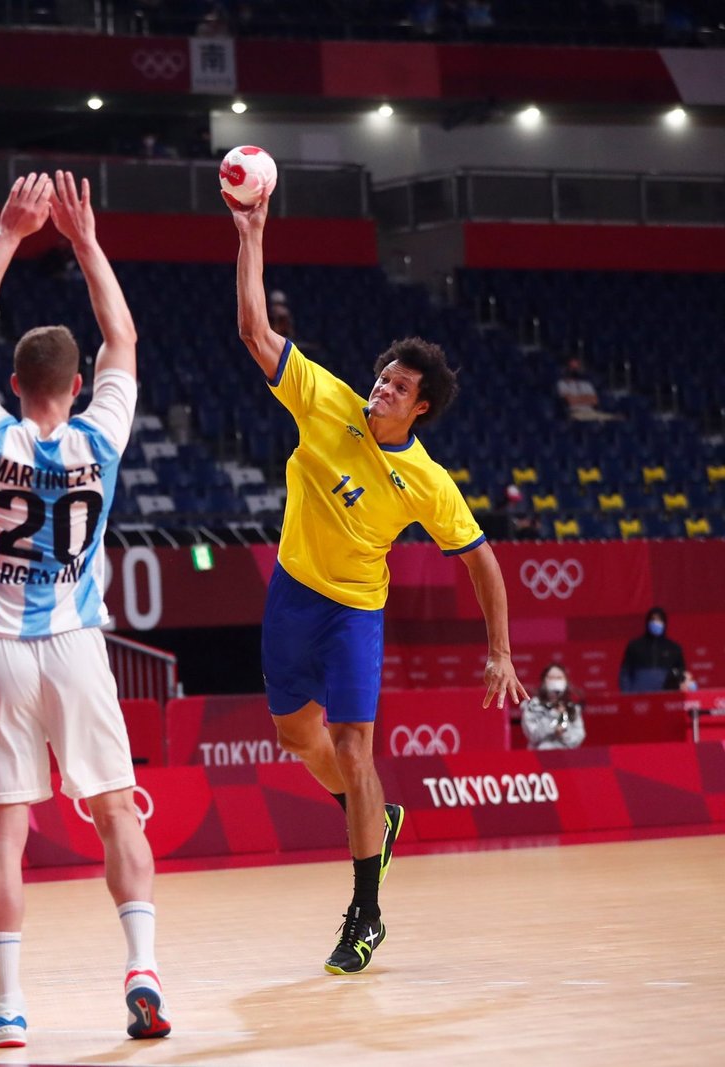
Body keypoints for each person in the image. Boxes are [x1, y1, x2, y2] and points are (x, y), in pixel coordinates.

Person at [226, 183, 527, 976]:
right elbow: (255, 330)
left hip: (355, 611)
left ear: (419, 408)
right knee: (300, 739)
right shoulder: (328, 401)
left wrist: (501, 649)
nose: (382, 387)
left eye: (398, 387)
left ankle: (365, 912)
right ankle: (375, 817)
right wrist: (252, 233)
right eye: (383, 377)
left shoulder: (428, 482)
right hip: (292, 594)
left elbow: (483, 562)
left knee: (356, 749)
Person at [0, 172, 169, 1047]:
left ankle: (6, 1007)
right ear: (78, 384)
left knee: (3, 834)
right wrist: (82, 240)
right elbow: (125, 334)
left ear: (12, 380)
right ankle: (142, 968)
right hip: (76, 643)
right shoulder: (100, 434)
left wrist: (7, 233)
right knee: (115, 806)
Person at [619, 606, 686, 692]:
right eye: (653, 619)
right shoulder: (635, 646)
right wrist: (627, 693)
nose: (656, 623)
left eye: (659, 620)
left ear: (664, 623)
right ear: (647, 622)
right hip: (639, 696)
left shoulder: (674, 648)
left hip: (666, 696)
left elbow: (681, 672)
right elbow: (625, 673)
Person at [521, 664, 585, 751]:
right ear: (544, 681)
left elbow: (578, 736)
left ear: (566, 681)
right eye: (551, 678)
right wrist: (553, 716)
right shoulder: (532, 705)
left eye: (559, 678)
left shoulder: (572, 707)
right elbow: (533, 735)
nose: (555, 681)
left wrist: (563, 734)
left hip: (568, 757)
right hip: (539, 756)